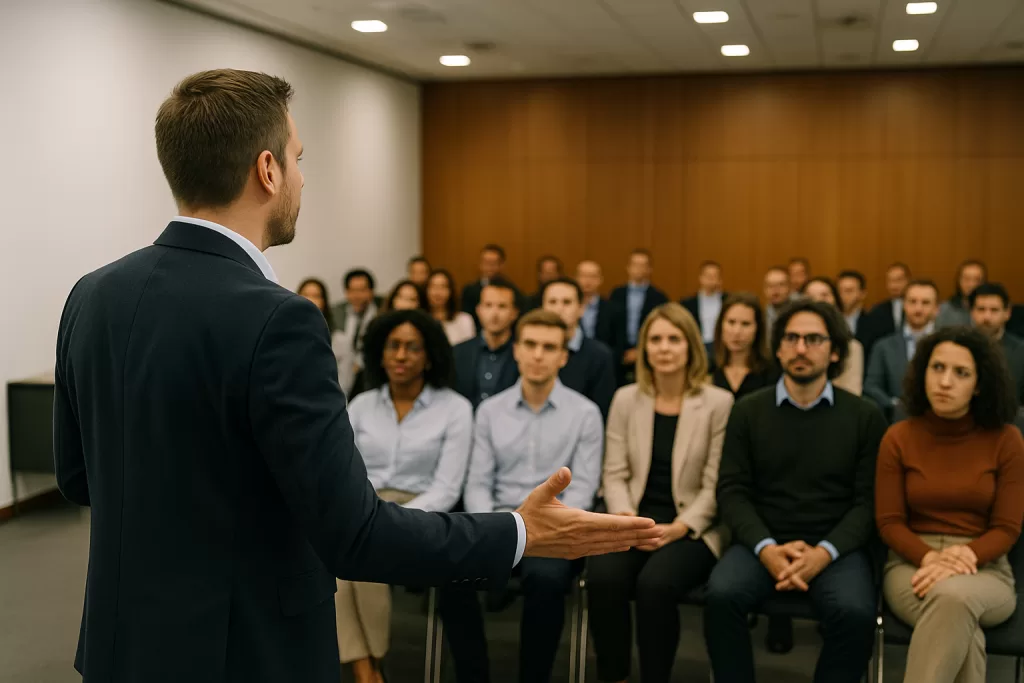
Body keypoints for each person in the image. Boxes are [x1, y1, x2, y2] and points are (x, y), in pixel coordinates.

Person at [52, 68, 659, 683]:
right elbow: (355, 534)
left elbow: (79, 478)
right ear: (267, 171)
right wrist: (520, 532)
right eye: (298, 158)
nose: (302, 176)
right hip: (244, 650)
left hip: (118, 643)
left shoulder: (92, 294)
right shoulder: (279, 320)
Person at [704, 299, 887, 683]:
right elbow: (733, 491)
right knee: (721, 597)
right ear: (779, 347)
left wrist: (823, 554)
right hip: (763, 542)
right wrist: (767, 549)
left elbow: (867, 502)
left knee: (855, 613)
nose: (801, 348)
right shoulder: (748, 411)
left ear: (835, 350)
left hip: (835, 548)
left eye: (813, 339)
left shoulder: (865, 416)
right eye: (791, 338)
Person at [441, 310, 605, 683]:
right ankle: (474, 675)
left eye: (549, 347)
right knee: (449, 573)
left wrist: (540, 527)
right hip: (498, 522)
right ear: (516, 350)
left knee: (546, 581)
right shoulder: (489, 411)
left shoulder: (586, 414)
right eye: (530, 344)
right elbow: (478, 485)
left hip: (555, 529)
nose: (537, 355)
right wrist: (502, 528)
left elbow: (583, 489)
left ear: (563, 356)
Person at [588, 303, 734, 683]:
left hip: (692, 526)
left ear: (691, 348)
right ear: (644, 348)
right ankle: (614, 675)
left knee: (655, 586)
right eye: (655, 339)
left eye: (674, 339)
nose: (664, 348)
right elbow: (615, 474)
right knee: (603, 577)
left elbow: (715, 485)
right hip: (633, 518)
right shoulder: (625, 398)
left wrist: (680, 527)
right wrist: (625, 518)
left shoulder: (718, 403)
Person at [875, 326, 1024, 683]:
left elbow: (1007, 527)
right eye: (937, 368)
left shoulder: (1007, 439)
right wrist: (930, 559)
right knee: (960, 621)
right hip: (912, 567)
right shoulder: (899, 437)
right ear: (922, 372)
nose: (945, 382)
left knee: (954, 599)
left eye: (961, 373)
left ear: (980, 384)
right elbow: (889, 522)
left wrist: (965, 557)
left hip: (985, 570)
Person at [336, 310, 472, 683]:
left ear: (429, 357)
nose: (400, 355)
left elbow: (447, 487)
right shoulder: (361, 404)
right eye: (393, 346)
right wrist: (367, 510)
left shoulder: (455, 409)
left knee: (359, 555)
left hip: (423, 513)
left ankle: (367, 666)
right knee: (328, 554)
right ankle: (369, 669)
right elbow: (344, 467)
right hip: (365, 503)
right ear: (379, 353)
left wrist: (390, 518)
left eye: (412, 348)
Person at [540, 276, 616, 420]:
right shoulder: (530, 350)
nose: (559, 309)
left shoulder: (599, 355)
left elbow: (601, 413)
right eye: (552, 302)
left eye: (567, 302)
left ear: (581, 308)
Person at [865, 279, 940, 420]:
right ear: (904, 305)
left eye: (925, 303)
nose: (918, 309)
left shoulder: (948, 345)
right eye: (912, 302)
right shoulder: (883, 346)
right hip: (897, 422)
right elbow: (871, 385)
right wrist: (895, 404)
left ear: (936, 309)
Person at [452, 277, 521, 410]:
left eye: (502, 306)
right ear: (479, 310)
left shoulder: (524, 353)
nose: (494, 314)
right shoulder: (458, 352)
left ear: (514, 313)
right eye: (488, 305)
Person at [609, 249, 669, 386]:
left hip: (649, 352)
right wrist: (621, 352)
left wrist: (640, 351)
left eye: (643, 265)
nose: (639, 269)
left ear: (650, 269)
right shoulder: (617, 294)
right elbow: (611, 328)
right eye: (635, 265)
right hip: (619, 355)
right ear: (628, 267)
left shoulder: (659, 297)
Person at [802, 276, 865, 395]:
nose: (817, 301)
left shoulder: (852, 348)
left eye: (824, 295)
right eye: (810, 296)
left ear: (836, 302)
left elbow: (852, 394)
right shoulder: (791, 345)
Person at [709, 292, 778, 399]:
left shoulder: (771, 372)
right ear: (721, 325)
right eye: (731, 322)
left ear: (758, 329)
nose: (737, 332)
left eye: (745, 324)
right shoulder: (707, 368)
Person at [969, 282, 1024, 406]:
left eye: (994, 310)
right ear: (971, 312)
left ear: (1007, 313)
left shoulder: (1021, 352)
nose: (987, 317)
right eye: (981, 309)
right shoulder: (957, 347)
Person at [333, 268, 381, 395]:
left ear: (371, 292)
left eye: (362, 290)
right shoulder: (336, 313)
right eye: (352, 290)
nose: (357, 295)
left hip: (370, 373)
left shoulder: (381, 313)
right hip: (343, 373)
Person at [298, 277, 346, 383]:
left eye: (316, 296)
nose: (309, 300)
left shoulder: (340, 340)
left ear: (324, 301)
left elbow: (344, 383)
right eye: (305, 294)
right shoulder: (287, 335)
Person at [680, 260, 726, 345]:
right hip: (698, 343)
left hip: (721, 344)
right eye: (708, 276)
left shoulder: (728, 301)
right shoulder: (688, 303)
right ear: (700, 278)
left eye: (715, 276)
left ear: (720, 279)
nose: (711, 279)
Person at [426, 268, 476, 345]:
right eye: (433, 286)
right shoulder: (421, 320)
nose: (438, 292)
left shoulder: (464, 320)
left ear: (451, 291)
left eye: (443, 287)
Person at [937, 259, 987, 329]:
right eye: (967, 279)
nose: (971, 284)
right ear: (958, 281)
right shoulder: (944, 310)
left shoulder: (989, 310)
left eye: (977, 280)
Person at [577, 259, 613, 345]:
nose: (588, 281)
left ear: (600, 279)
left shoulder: (612, 309)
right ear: (576, 278)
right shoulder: (568, 306)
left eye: (593, 276)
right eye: (583, 276)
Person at [762, 266, 791, 338]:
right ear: (765, 289)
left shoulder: (799, 315)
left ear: (790, 287)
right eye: (770, 285)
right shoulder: (759, 317)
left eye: (781, 285)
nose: (775, 290)